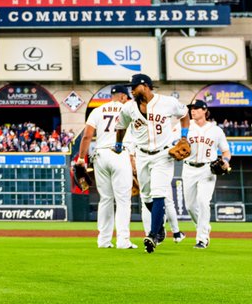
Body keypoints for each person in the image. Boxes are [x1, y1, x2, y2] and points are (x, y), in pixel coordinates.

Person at [119, 73, 188, 253]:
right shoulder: (128, 107)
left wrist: (184, 137)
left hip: (163, 155)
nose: (131, 90)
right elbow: (121, 126)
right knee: (146, 197)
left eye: (134, 87)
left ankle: (153, 235)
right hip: (142, 155)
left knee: (158, 193)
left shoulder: (167, 102)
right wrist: (118, 144)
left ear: (145, 86)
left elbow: (184, 114)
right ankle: (160, 226)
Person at [76, 85, 136, 249]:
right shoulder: (129, 110)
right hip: (120, 153)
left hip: (101, 155)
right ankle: (123, 241)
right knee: (123, 200)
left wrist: (81, 158)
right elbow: (134, 135)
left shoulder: (98, 110)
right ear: (123, 97)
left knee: (105, 199)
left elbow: (87, 136)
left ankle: (103, 240)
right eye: (127, 97)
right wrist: (132, 158)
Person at [181, 101, 231, 249]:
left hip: (207, 169)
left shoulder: (216, 130)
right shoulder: (184, 126)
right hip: (188, 168)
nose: (193, 111)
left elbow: (226, 151)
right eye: (191, 109)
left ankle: (202, 238)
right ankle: (204, 227)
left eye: (196, 108)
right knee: (190, 206)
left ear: (204, 110)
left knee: (203, 202)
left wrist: (226, 161)